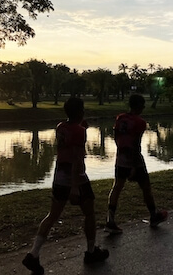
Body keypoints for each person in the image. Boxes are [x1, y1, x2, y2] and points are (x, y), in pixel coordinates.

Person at [22, 97, 109, 275]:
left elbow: (71, 138)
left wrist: (80, 126)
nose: (84, 111)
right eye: (82, 109)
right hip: (75, 177)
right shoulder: (79, 131)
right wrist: (75, 187)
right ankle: (91, 251)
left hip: (59, 175)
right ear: (79, 112)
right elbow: (77, 157)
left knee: (52, 215)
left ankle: (34, 254)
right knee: (90, 213)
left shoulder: (61, 127)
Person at [105, 94, 167, 234]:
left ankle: (110, 220)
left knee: (117, 187)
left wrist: (121, 152)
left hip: (120, 157)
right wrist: (133, 165)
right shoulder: (140, 122)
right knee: (146, 188)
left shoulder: (120, 118)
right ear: (139, 106)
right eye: (143, 106)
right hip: (134, 159)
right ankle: (153, 215)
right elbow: (135, 143)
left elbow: (116, 138)